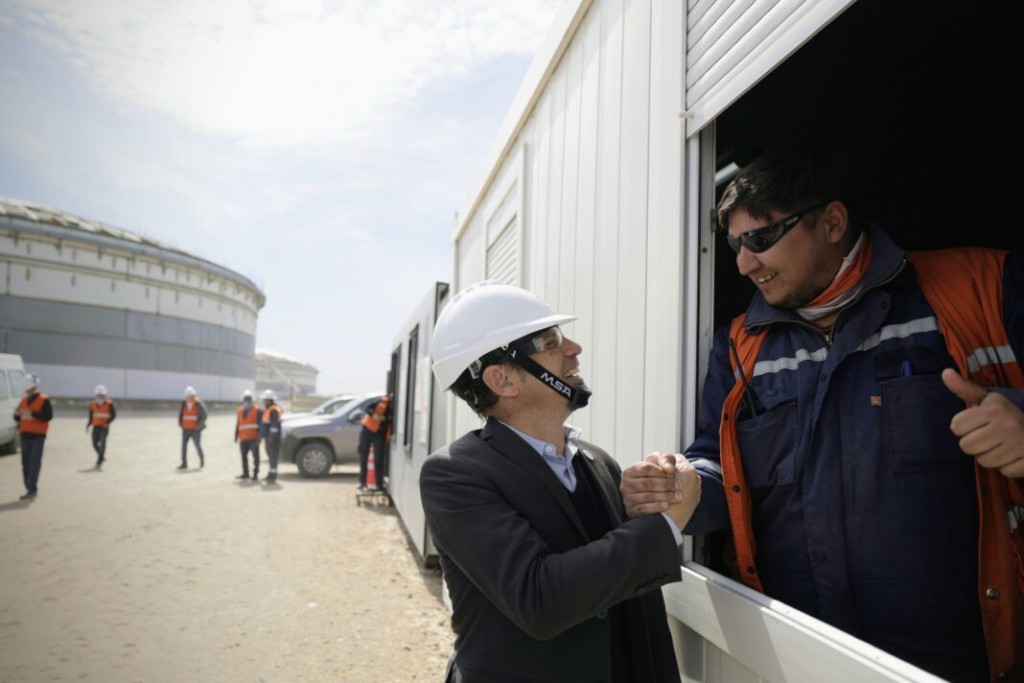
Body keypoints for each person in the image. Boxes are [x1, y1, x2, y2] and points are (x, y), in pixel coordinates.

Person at [621, 142, 1024, 682]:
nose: (743, 264)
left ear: (832, 222)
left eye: (761, 239)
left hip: (958, 658)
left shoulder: (984, 287)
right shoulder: (738, 346)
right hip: (796, 652)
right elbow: (718, 463)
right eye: (736, 244)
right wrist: (689, 487)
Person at [421, 280, 701, 682]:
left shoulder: (599, 461)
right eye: (551, 341)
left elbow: (628, 598)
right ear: (503, 381)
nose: (573, 349)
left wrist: (649, 500)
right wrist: (666, 523)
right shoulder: (455, 474)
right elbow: (540, 599)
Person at [13, 372, 53, 500]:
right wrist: (17, 414)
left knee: (34, 463)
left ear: (34, 387)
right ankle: (29, 487)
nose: (28, 391)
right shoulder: (23, 400)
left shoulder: (44, 400)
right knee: (26, 464)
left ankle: (32, 488)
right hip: (25, 436)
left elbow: (48, 416)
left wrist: (32, 414)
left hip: (38, 437)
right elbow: (17, 416)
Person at [357, 394, 390, 492]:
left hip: (380, 433)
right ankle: (362, 483)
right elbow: (367, 408)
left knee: (378, 460)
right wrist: (374, 414)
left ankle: (379, 485)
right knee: (363, 457)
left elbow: (390, 420)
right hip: (367, 430)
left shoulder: (392, 409)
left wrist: (384, 418)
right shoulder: (382, 401)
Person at [86, 384, 116, 469]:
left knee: (102, 443)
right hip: (95, 426)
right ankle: (101, 456)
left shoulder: (109, 403)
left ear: (105, 395)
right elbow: (91, 415)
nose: (100, 397)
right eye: (98, 395)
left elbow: (114, 415)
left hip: (104, 427)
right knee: (95, 443)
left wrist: (108, 422)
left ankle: (99, 461)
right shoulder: (93, 404)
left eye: (102, 395)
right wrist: (88, 424)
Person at [177, 386, 207, 469]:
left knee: (197, 445)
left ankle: (201, 459)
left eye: (192, 396)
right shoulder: (183, 404)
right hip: (185, 429)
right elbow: (181, 414)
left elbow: (204, 416)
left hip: (195, 430)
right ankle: (184, 463)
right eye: (188, 396)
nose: (190, 398)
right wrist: (180, 423)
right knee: (183, 446)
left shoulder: (198, 404)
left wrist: (198, 426)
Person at [234, 389, 261, 480]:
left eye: (248, 399)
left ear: (251, 399)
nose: (247, 401)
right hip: (243, 438)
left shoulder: (257, 410)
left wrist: (259, 437)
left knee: (255, 458)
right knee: (243, 457)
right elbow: (238, 424)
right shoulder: (239, 410)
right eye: (245, 399)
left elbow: (261, 425)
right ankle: (245, 473)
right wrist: (236, 435)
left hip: (254, 439)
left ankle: (255, 474)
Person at [260, 389, 282, 482]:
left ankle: (273, 476)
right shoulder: (269, 409)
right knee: (271, 457)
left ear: (270, 400)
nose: (264, 402)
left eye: (265, 400)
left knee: (273, 457)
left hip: (273, 439)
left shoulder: (273, 410)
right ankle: (271, 474)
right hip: (269, 438)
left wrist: (271, 437)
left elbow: (274, 425)